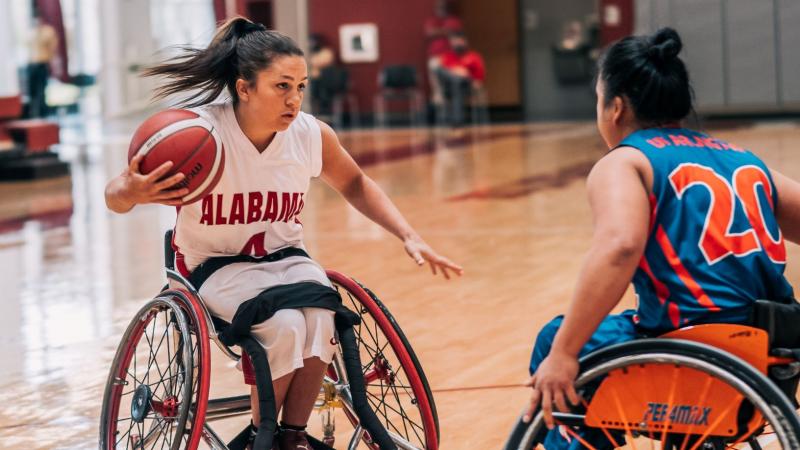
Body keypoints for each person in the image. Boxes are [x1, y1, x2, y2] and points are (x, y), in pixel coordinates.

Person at [104, 17, 463, 450]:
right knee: (286, 325)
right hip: (212, 266)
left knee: (322, 315)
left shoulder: (310, 134)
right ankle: (264, 433)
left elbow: (355, 183)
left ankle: (291, 437)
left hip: (286, 257)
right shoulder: (195, 133)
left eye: (301, 86)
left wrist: (408, 234)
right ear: (244, 88)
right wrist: (131, 189)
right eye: (281, 86)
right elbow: (115, 198)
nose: (294, 99)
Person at [523, 27, 800, 449]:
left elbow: (619, 248)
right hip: (775, 348)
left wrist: (563, 352)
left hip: (699, 344)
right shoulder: (744, 159)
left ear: (615, 108)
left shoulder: (628, 160)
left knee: (554, 338)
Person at [436, 32, 485, 128]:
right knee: (439, 69)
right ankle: (457, 120)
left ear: (465, 42)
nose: (456, 44)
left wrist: (465, 74)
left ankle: (456, 120)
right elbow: (443, 73)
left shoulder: (474, 57)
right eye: (454, 42)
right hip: (448, 87)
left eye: (459, 41)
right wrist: (456, 72)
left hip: (468, 86)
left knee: (457, 85)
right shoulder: (448, 56)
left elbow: (479, 76)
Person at [424, 0, 463, 109]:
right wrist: (447, 31)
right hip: (435, 57)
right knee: (434, 74)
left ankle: (452, 105)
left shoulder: (454, 20)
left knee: (455, 80)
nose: (441, 8)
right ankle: (439, 100)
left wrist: (440, 31)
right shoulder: (432, 19)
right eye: (439, 6)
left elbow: (456, 33)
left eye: (443, 6)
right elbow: (430, 32)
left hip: (451, 57)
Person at [27, 14, 58, 118]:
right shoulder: (31, 33)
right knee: (32, 91)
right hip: (32, 65)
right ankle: (33, 114)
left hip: (42, 64)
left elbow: (53, 47)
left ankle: (43, 114)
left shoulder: (48, 32)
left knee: (41, 91)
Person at [308, 33, 336, 117]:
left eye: (312, 42)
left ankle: (324, 111)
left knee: (321, 90)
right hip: (314, 81)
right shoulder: (309, 52)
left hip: (326, 82)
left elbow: (318, 62)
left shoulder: (326, 52)